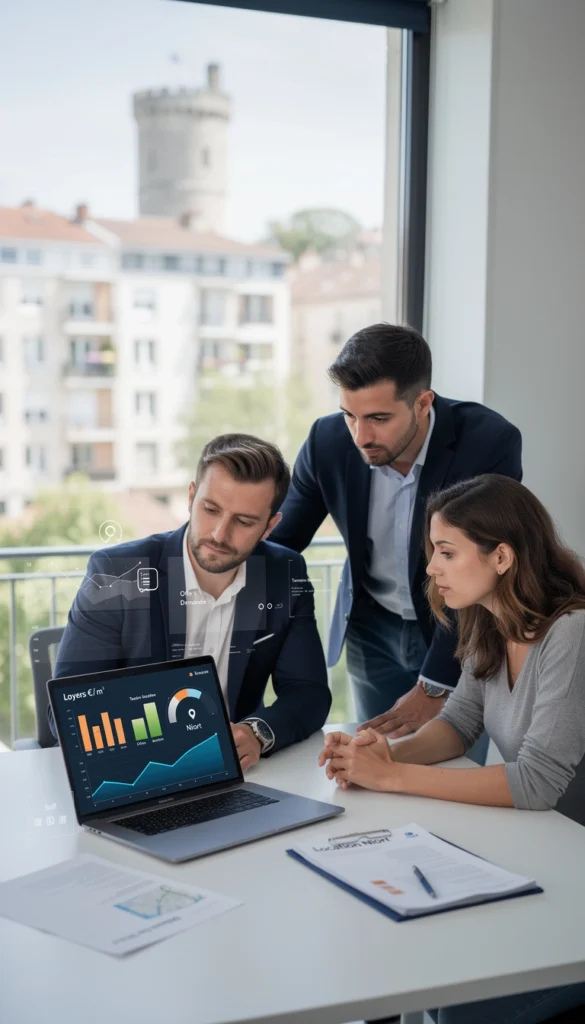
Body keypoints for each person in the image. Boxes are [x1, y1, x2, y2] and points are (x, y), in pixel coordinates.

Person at [319, 474, 585, 1024]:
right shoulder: (489, 619)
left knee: (461, 1008)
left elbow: (535, 783)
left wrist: (392, 778)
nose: (431, 569)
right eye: (431, 552)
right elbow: (459, 723)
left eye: (446, 552)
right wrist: (388, 756)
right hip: (536, 855)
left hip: (572, 878)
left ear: (502, 557)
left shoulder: (572, 633)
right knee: (407, 952)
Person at [271, 324, 522, 760]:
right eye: (350, 414)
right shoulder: (327, 441)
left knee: (451, 770)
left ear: (423, 403)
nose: (360, 435)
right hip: (372, 627)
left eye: (378, 418)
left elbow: (480, 571)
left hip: (459, 629)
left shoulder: (487, 443)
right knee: (376, 759)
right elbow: (281, 543)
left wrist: (436, 684)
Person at [52, 433, 331, 769]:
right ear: (190, 496)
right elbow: (67, 712)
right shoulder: (116, 572)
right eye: (210, 509)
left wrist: (255, 733)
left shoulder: (285, 573)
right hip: (138, 770)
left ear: (270, 526)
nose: (219, 534)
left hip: (236, 773)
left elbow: (309, 692)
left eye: (244, 522)